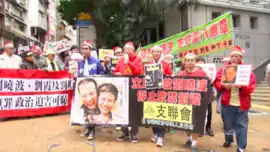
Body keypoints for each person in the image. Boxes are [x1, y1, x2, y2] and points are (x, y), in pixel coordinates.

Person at [214, 46, 256, 152]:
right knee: (227, 124)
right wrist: (223, 86)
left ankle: (241, 147)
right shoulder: (223, 70)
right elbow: (216, 82)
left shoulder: (247, 71)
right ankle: (228, 140)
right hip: (227, 103)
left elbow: (251, 88)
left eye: (236, 56)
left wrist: (242, 86)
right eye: (232, 56)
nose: (233, 58)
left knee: (241, 125)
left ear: (241, 58)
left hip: (242, 104)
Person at [114, 41, 143, 143]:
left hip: (134, 89)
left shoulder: (138, 59)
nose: (127, 51)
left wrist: (129, 63)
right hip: (122, 88)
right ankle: (125, 132)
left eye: (129, 49)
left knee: (133, 111)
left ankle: (134, 133)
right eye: (125, 49)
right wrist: (117, 73)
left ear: (133, 50)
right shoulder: (120, 60)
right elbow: (115, 71)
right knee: (122, 110)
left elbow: (139, 72)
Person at [178, 53, 207, 152]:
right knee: (186, 122)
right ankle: (189, 139)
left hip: (197, 103)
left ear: (195, 61)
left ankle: (194, 143)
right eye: (188, 60)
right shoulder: (181, 74)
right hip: (184, 102)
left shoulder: (201, 73)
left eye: (192, 60)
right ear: (184, 62)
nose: (190, 62)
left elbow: (206, 87)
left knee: (196, 123)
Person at [77, 40, 104, 140]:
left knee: (92, 110)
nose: (84, 50)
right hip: (83, 90)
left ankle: (92, 131)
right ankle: (87, 129)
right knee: (85, 110)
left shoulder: (96, 61)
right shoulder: (80, 62)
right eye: (83, 49)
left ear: (90, 50)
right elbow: (78, 75)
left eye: (86, 48)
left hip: (92, 90)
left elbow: (101, 73)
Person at [148, 45, 172, 147]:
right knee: (153, 112)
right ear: (152, 53)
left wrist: (164, 75)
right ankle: (155, 133)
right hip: (151, 92)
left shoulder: (165, 64)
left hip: (162, 92)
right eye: (155, 52)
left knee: (161, 112)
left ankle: (161, 136)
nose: (156, 53)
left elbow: (171, 76)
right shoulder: (148, 65)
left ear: (161, 53)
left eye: (158, 52)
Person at [195, 56, 214, 137]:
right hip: (196, 95)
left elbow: (213, 83)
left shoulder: (208, 72)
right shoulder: (194, 71)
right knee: (197, 112)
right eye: (198, 62)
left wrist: (211, 79)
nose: (200, 64)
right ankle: (199, 128)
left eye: (202, 62)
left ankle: (208, 128)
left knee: (209, 112)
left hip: (207, 94)